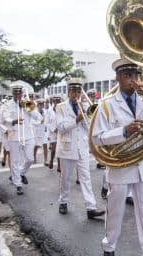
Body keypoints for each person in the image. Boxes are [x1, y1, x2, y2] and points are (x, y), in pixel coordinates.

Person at [91, 57, 143, 256]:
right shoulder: (106, 104)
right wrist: (123, 131)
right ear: (118, 77)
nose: (132, 79)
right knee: (115, 213)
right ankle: (109, 246)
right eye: (127, 75)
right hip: (120, 167)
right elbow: (96, 138)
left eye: (135, 75)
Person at [55, 78, 104, 219]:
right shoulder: (60, 107)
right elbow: (61, 128)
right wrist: (76, 119)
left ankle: (91, 208)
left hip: (81, 147)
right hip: (67, 147)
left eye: (78, 90)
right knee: (66, 178)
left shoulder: (84, 105)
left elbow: (89, 127)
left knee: (86, 178)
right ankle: (63, 201)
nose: (76, 93)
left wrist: (86, 114)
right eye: (73, 90)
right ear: (69, 91)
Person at [2, 83, 41, 195]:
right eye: (16, 92)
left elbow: (38, 117)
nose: (18, 95)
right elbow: (5, 117)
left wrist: (28, 107)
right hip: (14, 136)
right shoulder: (7, 105)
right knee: (15, 161)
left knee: (30, 159)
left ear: (22, 93)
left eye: (20, 93)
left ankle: (21, 173)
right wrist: (13, 121)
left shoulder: (28, 103)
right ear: (13, 93)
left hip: (28, 136)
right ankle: (18, 184)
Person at [45, 95, 62, 170]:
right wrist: (53, 129)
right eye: (56, 101)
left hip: (61, 132)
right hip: (52, 133)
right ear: (53, 102)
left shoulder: (62, 110)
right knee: (54, 148)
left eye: (58, 101)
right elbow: (46, 123)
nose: (57, 103)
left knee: (59, 149)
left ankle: (59, 165)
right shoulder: (49, 111)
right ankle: (51, 160)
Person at [33, 99, 48, 166]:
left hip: (44, 131)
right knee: (36, 146)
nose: (42, 106)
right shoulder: (34, 112)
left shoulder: (45, 111)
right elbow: (33, 122)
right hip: (37, 132)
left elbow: (47, 121)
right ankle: (34, 157)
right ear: (38, 105)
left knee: (45, 145)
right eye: (40, 105)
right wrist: (40, 122)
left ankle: (45, 160)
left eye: (42, 105)